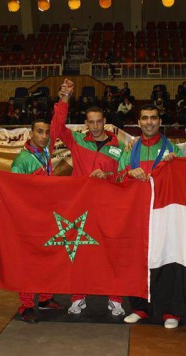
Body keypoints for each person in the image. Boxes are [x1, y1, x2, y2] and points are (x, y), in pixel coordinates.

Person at [51, 79, 127, 316]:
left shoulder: (118, 145)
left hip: (109, 207)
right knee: (79, 253)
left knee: (111, 252)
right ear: (86, 123)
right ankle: (78, 297)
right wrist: (64, 98)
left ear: (105, 122)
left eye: (99, 121)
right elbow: (56, 128)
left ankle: (115, 298)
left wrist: (108, 175)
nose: (95, 126)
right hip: (81, 206)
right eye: (91, 122)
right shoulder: (77, 140)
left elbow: (124, 174)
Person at [119, 104, 184, 329]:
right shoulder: (129, 149)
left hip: (164, 215)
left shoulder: (173, 150)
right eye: (145, 118)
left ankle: (170, 311)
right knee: (137, 262)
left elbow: (184, 181)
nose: (149, 122)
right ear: (139, 123)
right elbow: (117, 178)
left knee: (167, 262)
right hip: (137, 215)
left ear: (160, 121)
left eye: (153, 118)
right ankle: (140, 308)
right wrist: (128, 172)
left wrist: (175, 166)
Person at [10, 120, 65, 323]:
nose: (43, 136)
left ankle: (44, 298)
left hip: (46, 216)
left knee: (46, 258)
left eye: (46, 133)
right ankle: (25, 306)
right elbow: (15, 192)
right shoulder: (22, 160)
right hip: (29, 219)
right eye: (39, 132)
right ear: (31, 133)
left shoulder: (45, 153)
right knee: (29, 263)